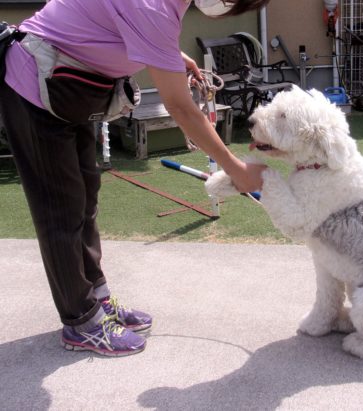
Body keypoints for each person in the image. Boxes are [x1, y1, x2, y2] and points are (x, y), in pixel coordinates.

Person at [0, 0, 269, 357]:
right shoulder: (154, 8)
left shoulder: (164, 6)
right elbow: (180, 107)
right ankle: (81, 322)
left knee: (85, 198)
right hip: (35, 83)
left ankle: (96, 297)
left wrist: (171, 56)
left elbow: (120, 22)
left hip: (67, 87)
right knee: (60, 210)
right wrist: (235, 168)